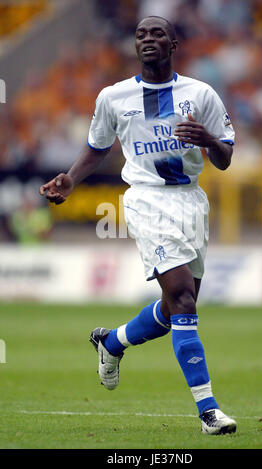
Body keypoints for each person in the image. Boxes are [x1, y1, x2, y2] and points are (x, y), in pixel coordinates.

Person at [40, 16, 236, 435]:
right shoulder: (115, 97)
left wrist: (206, 139)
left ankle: (111, 342)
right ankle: (209, 411)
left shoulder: (200, 94)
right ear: (135, 46)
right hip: (146, 200)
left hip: (191, 203)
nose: (148, 39)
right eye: (141, 34)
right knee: (183, 298)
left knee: (174, 309)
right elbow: (97, 148)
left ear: (174, 43)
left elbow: (224, 158)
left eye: (157, 33)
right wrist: (71, 179)